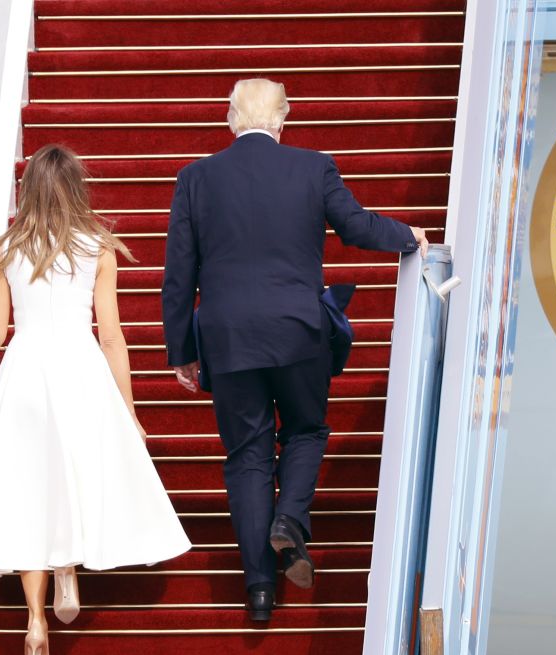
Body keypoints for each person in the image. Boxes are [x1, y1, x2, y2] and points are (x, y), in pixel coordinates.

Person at [162, 78, 427, 622]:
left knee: (247, 455)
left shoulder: (195, 178)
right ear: (282, 120)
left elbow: (178, 273)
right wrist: (408, 236)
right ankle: (289, 522)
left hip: (228, 336)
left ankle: (259, 588)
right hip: (296, 329)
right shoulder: (313, 167)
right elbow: (354, 227)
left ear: (230, 119)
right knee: (306, 429)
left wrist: (181, 350)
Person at [0, 145, 191, 655]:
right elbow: (112, 337)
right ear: (77, 188)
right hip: (80, 372)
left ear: (27, 188)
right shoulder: (97, 247)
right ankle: (67, 569)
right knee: (74, 478)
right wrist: (127, 409)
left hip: (26, 374)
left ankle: (35, 619)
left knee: (30, 492)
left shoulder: (5, 250)